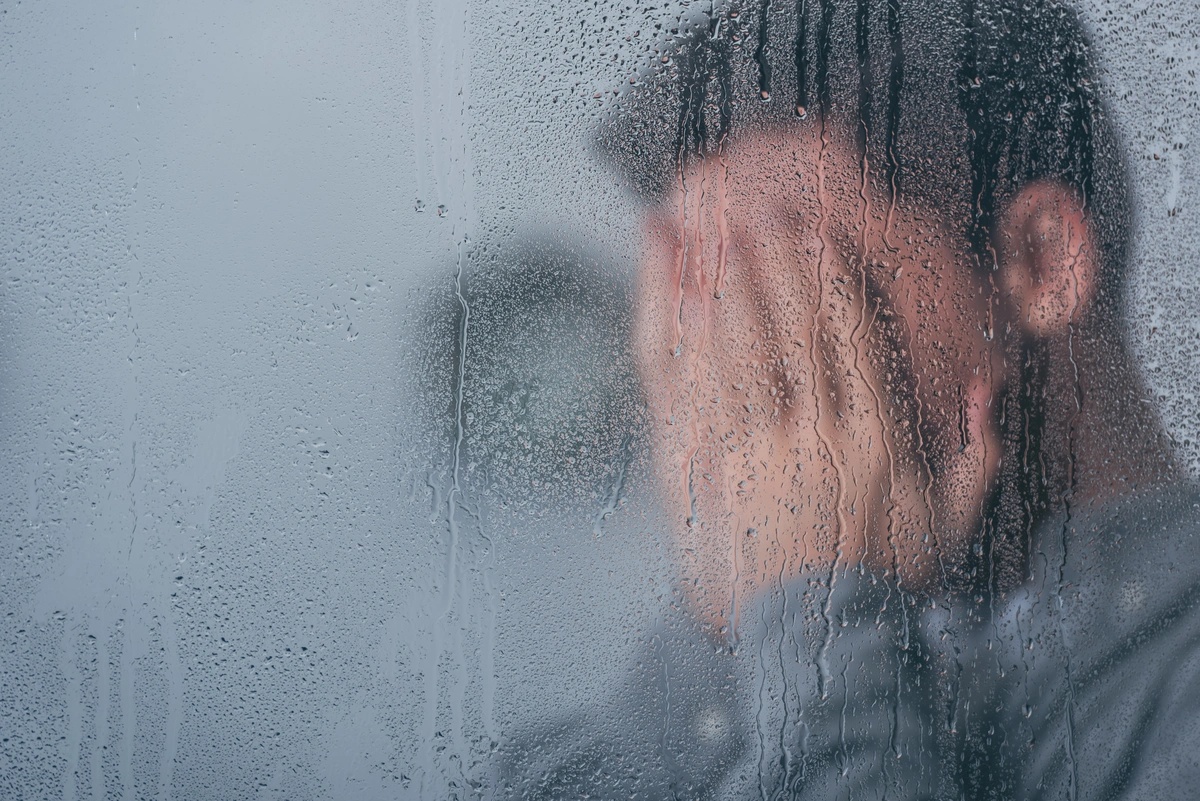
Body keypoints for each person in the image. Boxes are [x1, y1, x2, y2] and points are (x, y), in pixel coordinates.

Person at [491, 0, 1200, 797]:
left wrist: (817, 620)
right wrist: (729, 624)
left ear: (1041, 261)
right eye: (705, 310)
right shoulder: (873, 634)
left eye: (785, 294)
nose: (728, 381)